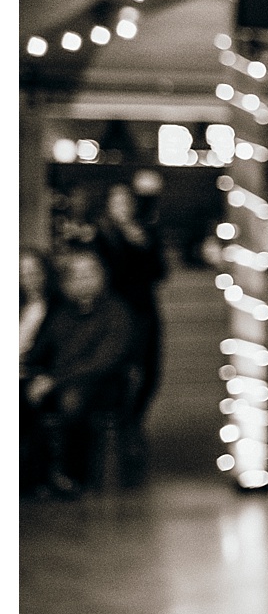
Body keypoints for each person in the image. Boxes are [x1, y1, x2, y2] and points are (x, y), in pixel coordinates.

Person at [23, 248, 135, 497]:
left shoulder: (116, 312)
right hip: (56, 381)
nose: (83, 280)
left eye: (89, 273)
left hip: (101, 384)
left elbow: (104, 361)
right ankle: (30, 475)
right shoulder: (61, 314)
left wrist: (54, 380)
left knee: (72, 401)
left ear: (102, 276)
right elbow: (40, 351)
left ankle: (71, 475)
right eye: (76, 275)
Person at [91, 181, 168, 487]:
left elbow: (160, 272)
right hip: (118, 313)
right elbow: (107, 276)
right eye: (117, 201)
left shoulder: (147, 232)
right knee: (123, 370)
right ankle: (123, 428)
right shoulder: (102, 235)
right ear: (109, 205)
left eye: (127, 201)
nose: (123, 206)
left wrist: (143, 244)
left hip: (146, 311)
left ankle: (133, 420)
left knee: (151, 370)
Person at [20, 246, 57, 494]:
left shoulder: (57, 307)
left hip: (37, 373)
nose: (29, 279)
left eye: (34, 272)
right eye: (22, 274)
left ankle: (32, 477)